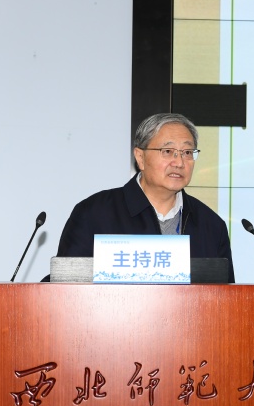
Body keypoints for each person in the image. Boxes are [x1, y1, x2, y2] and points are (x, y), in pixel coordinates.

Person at [43, 113, 234, 282]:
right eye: (168, 151)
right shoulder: (94, 214)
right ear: (140, 157)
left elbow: (228, 299)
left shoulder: (211, 225)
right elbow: (65, 288)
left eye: (187, 152)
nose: (179, 162)